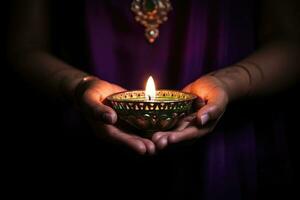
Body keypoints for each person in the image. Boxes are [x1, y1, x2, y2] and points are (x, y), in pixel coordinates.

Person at [7, 0, 299, 199]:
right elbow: (22, 47)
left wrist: (231, 81)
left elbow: (290, 42)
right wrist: (78, 86)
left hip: (228, 150)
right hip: (83, 149)